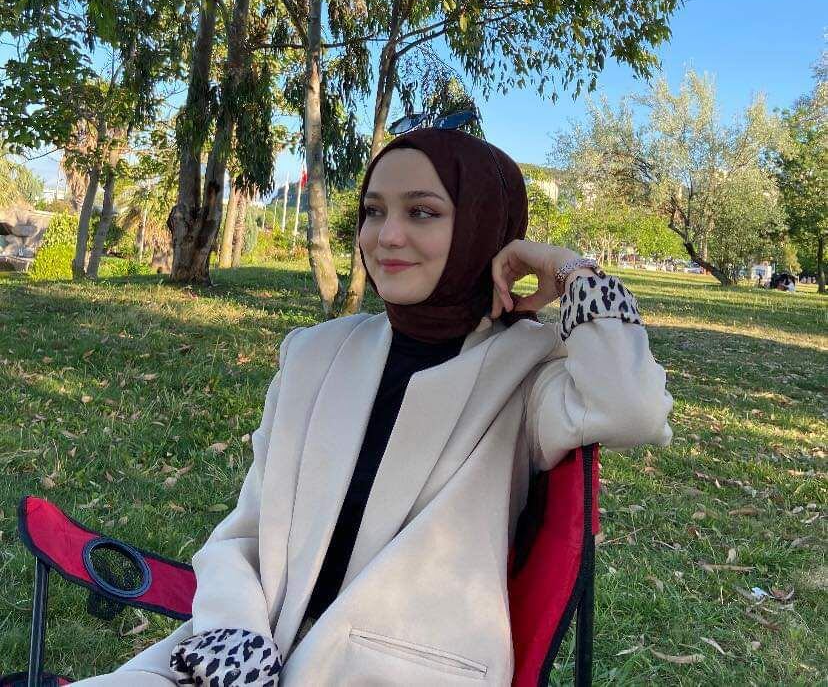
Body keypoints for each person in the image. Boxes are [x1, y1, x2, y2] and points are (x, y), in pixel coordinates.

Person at [76, 129, 673, 686]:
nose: (385, 236)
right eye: (373, 210)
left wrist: (569, 270)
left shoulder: (528, 371)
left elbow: (632, 408)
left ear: (483, 226)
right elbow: (247, 529)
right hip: (248, 653)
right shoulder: (315, 354)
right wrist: (234, 633)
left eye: (422, 212)